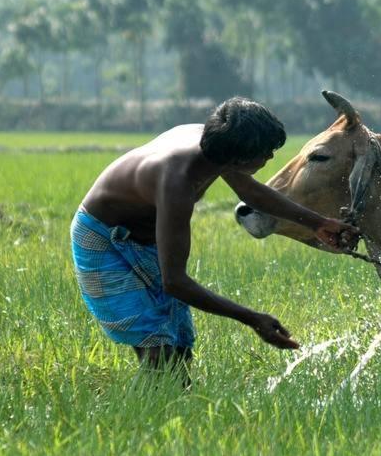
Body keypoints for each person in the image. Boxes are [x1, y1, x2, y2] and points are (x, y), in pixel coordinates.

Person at [70, 96, 357, 384]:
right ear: (239, 159)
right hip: (103, 241)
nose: (270, 157)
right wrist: (252, 319)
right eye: (266, 152)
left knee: (179, 352)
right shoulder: (176, 182)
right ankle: (129, 421)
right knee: (159, 354)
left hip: (142, 237)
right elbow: (175, 282)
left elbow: (252, 193)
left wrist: (319, 223)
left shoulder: (213, 143)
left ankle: (170, 415)